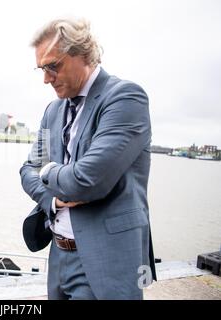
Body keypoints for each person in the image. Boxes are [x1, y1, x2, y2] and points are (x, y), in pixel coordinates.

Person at [20, 17, 156, 300]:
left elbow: (86, 180)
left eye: (52, 66)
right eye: (41, 69)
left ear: (83, 53)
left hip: (107, 259)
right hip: (58, 255)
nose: (46, 78)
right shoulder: (52, 111)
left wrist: (49, 171)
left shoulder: (125, 98)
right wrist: (53, 199)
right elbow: (26, 169)